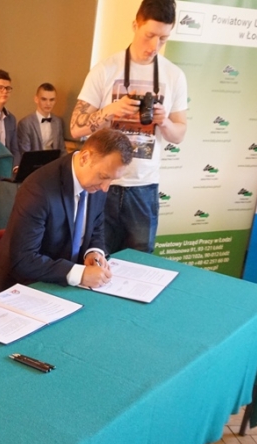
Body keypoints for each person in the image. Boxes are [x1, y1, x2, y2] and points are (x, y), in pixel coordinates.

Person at [71, 0, 187, 254]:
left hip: (144, 187)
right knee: (93, 256)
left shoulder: (174, 75)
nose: (154, 46)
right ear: (135, 25)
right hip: (102, 185)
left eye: (163, 39)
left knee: (141, 263)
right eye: (149, 35)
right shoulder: (105, 70)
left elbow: (179, 134)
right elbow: (75, 128)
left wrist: (164, 121)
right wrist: (109, 111)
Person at [0, 129, 133, 294]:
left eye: (112, 179)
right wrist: (80, 274)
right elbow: (24, 260)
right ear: (85, 158)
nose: (105, 188)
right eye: (103, 176)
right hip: (25, 285)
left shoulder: (97, 184)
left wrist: (94, 252)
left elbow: (96, 228)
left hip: (65, 282)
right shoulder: (39, 189)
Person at [16, 83, 66, 155]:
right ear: (36, 99)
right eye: (44, 99)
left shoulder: (58, 122)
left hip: (54, 161)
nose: (48, 103)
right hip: (34, 161)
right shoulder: (25, 123)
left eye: (51, 100)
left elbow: (62, 149)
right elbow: (25, 153)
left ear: (55, 101)